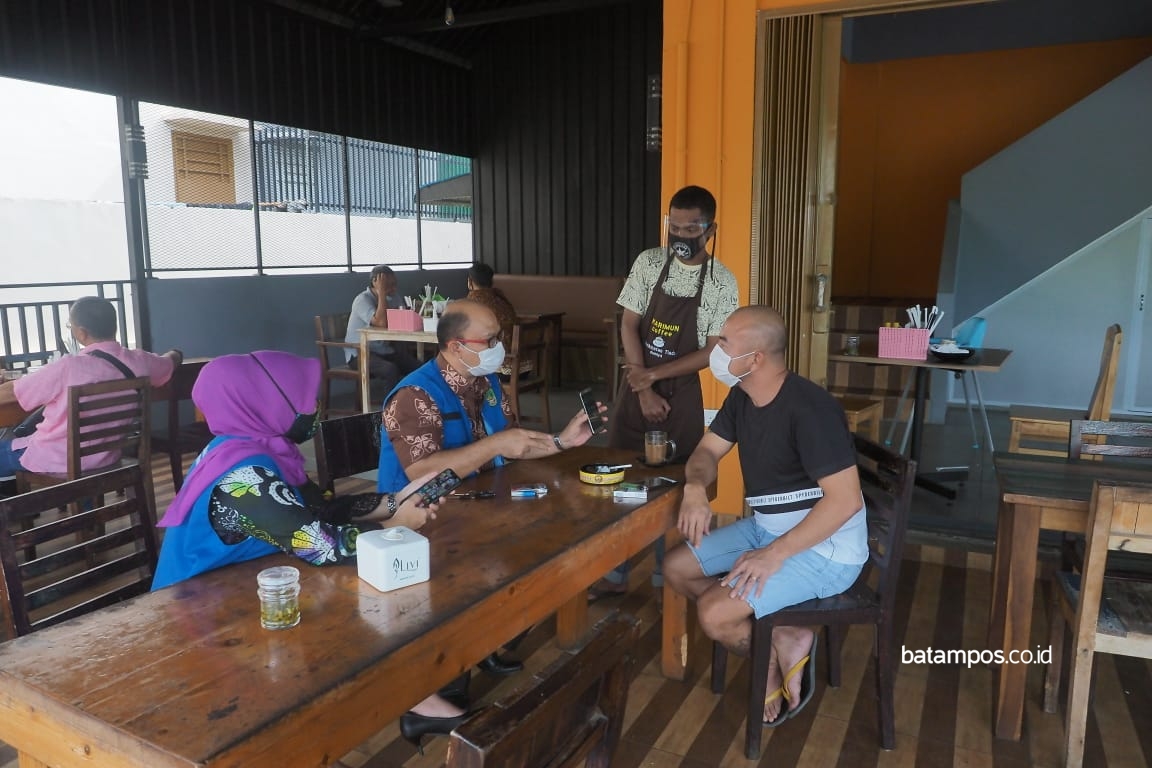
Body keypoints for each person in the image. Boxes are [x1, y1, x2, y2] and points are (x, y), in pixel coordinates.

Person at [150, 350, 467, 746]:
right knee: (359, 597)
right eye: (304, 398)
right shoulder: (242, 476)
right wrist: (396, 526)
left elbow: (320, 509)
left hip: (246, 587)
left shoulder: (259, 446)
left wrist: (395, 500)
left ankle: (417, 693)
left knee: (365, 594)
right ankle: (411, 698)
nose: (315, 407)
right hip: (203, 616)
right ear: (268, 401)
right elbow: (320, 545)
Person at [377, 298, 606, 675]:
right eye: (490, 340)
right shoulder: (415, 396)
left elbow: (512, 442)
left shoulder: (487, 383)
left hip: (480, 506)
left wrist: (561, 441)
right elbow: (422, 471)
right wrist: (495, 445)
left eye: (500, 337)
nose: (500, 347)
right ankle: (455, 661)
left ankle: (488, 638)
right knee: (519, 556)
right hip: (422, 520)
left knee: (556, 539)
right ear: (456, 347)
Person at [663, 306, 867, 726]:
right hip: (768, 528)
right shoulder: (743, 397)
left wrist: (773, 556)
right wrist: (696, 488)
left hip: (826, 550)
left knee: (714, 614)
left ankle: (767, 661)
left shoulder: (810, 409)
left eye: (724, 343)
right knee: (677, 568)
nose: (715, 350)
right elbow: (706, 452)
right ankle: (781, 635)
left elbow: (845, 501)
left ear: (755, 358)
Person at [591, 185, 739, 602]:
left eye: (691, 229)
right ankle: (614, 572)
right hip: (637, 390)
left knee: (674, 486)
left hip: (681, 396)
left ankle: (664, 577)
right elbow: (628, 324)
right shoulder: (649, 262)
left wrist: (651, 376)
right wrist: (642, 387)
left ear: (710, 229)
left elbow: (711, 351)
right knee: (619, 479)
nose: (680, 236)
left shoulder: (722, 282)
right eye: (674, 227)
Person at [0, 296, 182, 479]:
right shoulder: (141, 361)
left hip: (54, 459)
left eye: (70, 326)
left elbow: (13, 392)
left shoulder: (68, 367)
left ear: (81, 333)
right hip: (105, 458)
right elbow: (170, 361)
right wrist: (176, 353)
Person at [344, 264, 421, 391]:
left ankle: (417, 400)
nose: (394, 288)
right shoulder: (362, 300)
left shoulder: (394, 297)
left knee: (419, 368)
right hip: (360, 353)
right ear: (376, 283)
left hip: (384, 350)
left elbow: (402, 318)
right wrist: (382, 294)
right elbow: (381, 322)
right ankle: (391, 403)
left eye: (395, 284)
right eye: (388, 284)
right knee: (390, 369)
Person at [464, 262, 517, 343]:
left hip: (491, 347)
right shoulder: (500, 297)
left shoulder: (472, 302)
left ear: (470, 281)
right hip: (510, 345)